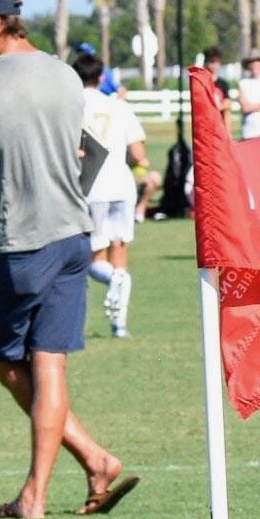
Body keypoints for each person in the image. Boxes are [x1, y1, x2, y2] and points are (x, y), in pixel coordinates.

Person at [0, 0, 138, 519]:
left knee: (8, 362)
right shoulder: (61, 72)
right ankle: (92, 463)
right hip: (72, 235)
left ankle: (40, 493)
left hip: (18, 240)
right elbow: (88, 150)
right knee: (47, 362)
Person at [75, 52, 147, 339]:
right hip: (123, 185)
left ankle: (114, 281)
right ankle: (119, 325)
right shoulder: (119, 106)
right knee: (120, 249)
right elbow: (139, 153)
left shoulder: (73, 106)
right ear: (101, 77)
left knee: (93, 258)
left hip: (91, 185)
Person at [202, 46, 233, 126]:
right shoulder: (202, 83)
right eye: (212, 62)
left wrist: (216, 108)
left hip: (219, 122)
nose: (214, 65)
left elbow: (227, 102)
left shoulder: (223, 84)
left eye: (217, 62)